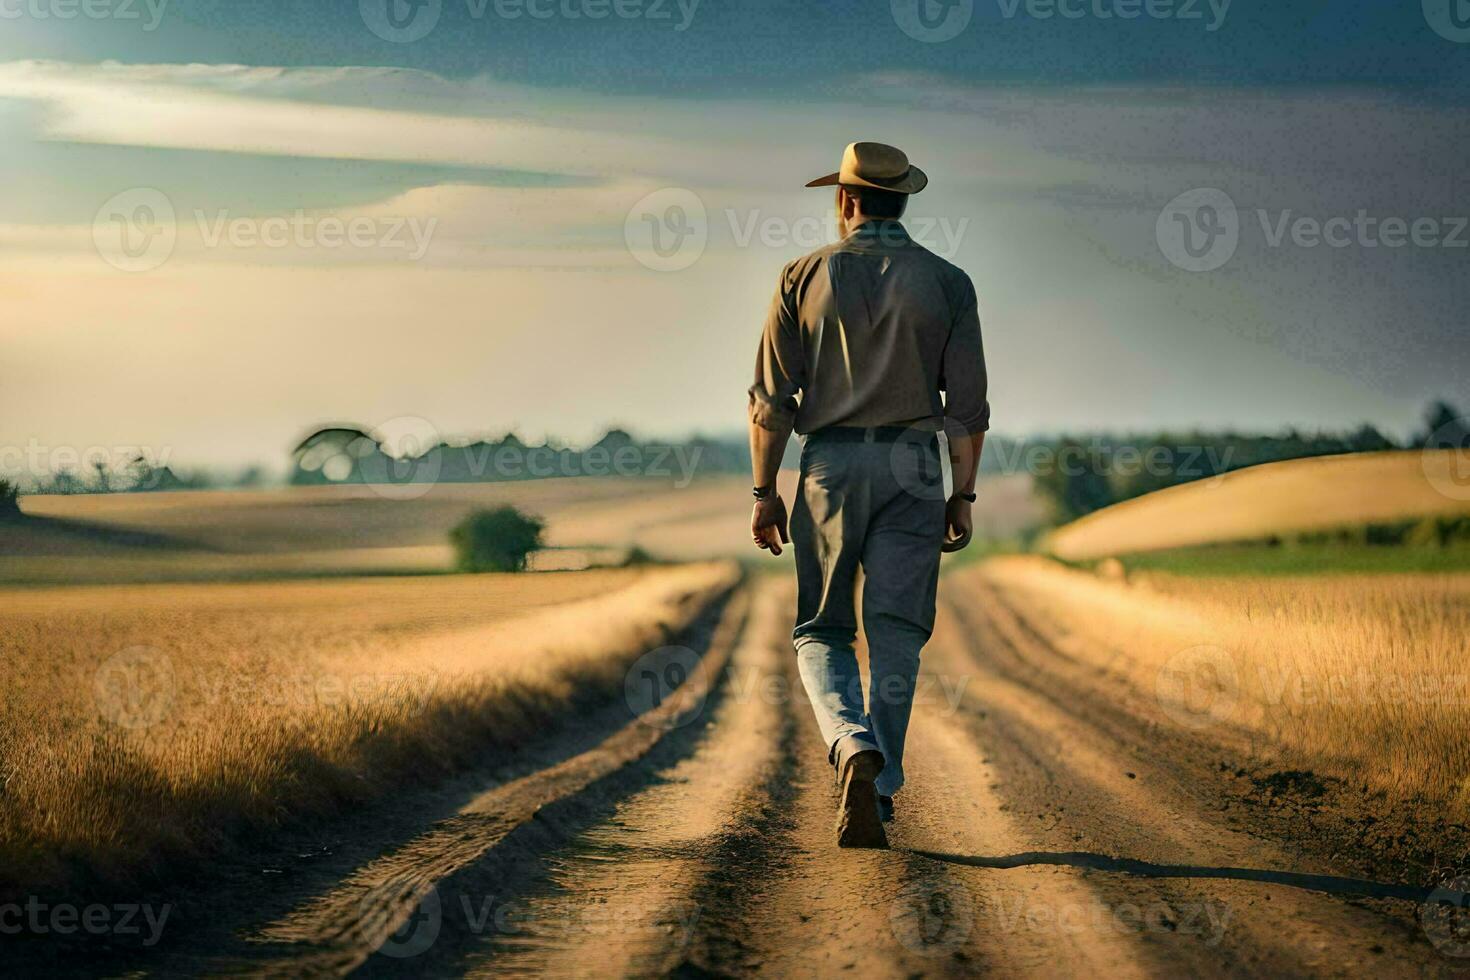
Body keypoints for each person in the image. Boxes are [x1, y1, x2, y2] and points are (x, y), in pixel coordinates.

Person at [747, 141, 990, 848]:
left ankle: (851, 744)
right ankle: (881, 789)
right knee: (896, 634)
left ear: (845, 201)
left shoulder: (802, 275)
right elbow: (967, 408)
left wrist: (765, 490)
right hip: (916, 466)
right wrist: (963, 494)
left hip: (830, 465)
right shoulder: (949, 282)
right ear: (903, 200)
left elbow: (771, 400)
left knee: (821, 629)